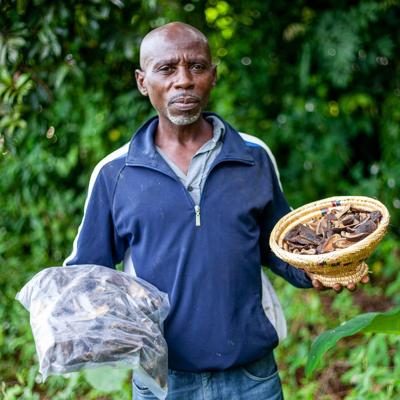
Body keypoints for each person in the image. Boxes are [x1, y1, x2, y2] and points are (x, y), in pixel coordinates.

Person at [64, 22, 369, 400]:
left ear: (213, 75)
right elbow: (85, 276)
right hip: (163, 382)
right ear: (143, 82)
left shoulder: (252, 157)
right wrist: (87, 324)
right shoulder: (116, 173)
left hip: (252, 377)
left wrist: (319, 271)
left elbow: (281, 246)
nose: (183, 81)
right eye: (166, 69)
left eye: (196, 66)